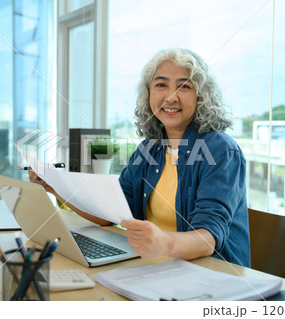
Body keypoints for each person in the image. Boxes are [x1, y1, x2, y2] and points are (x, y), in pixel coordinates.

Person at [30, 48, 250, 267]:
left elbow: (207, 240)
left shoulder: (221, 150)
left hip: (213, 274)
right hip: (158, 265)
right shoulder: (149, 149)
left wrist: (163, 242)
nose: (171, 97)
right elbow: (108, 214)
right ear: (148, 94)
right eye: (161, 85)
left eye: (184, 86)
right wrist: (55, 186)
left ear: (201, 96)